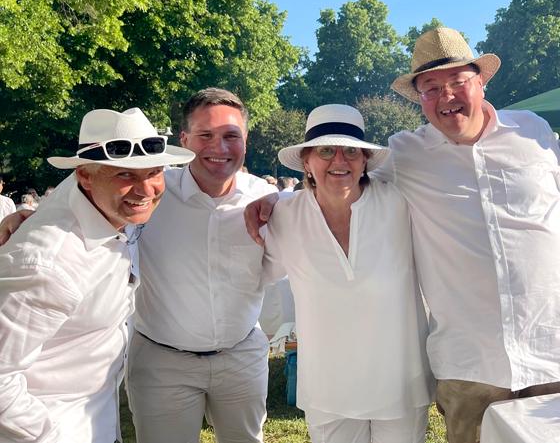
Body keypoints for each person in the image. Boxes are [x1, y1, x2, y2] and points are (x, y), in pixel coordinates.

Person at [245, 27, 560, 443]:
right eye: (431, 88)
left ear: (481, 81)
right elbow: (338, 182)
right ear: (420, 99)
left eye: (457, 82)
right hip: (471, 366)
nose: (446, 96)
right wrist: (266, 196)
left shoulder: (534, 133)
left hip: (551, 351)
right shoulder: (406, 154)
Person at [0, 107, 194, 443]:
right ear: (85, 176)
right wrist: (49, 435)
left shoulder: (101, 205)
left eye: (154, 171)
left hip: (101, 417)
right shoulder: (49, 264)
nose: (145, 190)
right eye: (125, 175)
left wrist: (24, 215)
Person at [261, 104, 433, 443]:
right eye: (326, 150)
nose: (339, 160)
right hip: (328, 390)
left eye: (351, 150)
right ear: (307, 161)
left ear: (365, 159)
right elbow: (257, 276)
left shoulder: (401, 202)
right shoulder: (283, 216)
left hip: (400, 381)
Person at [126, 88, 277, 443]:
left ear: (245, 139)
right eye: (205, 136)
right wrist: (30, 216)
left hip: (241, 356)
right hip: (163, 361)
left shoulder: (267, 200)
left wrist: (283, 198)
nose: (219, 148)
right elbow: (95, 194)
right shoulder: (152, 194)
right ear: (183, 139)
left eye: (230, 136)